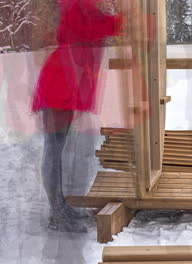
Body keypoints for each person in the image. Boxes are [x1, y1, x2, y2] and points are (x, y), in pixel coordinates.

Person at [31, 0, 125, 232]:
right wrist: (125, 18)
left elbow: (98, 26)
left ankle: (64, 209)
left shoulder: (81, 5)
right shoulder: (78, 4)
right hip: (60, 84)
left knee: (58, 150)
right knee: (54, 150)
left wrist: (121, 19)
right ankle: (58, 213)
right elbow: (93, 28)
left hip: (66, 83)